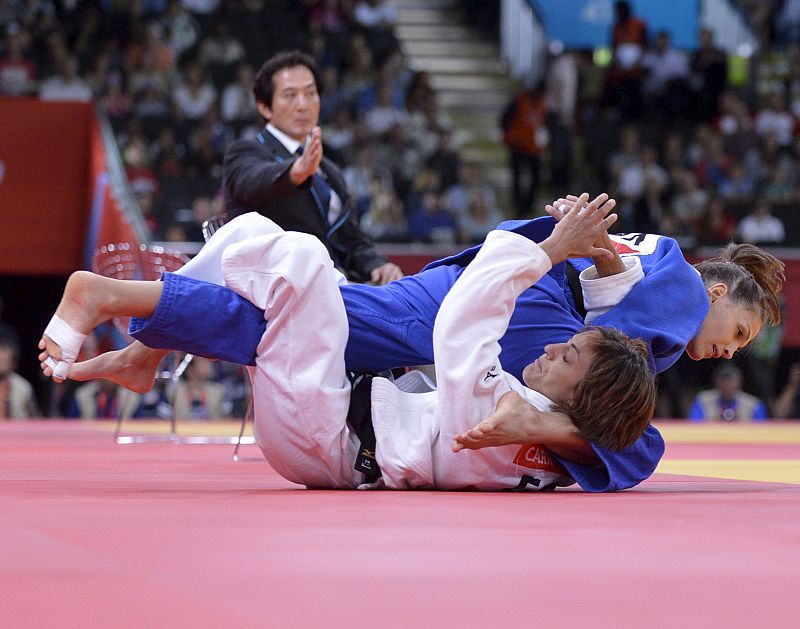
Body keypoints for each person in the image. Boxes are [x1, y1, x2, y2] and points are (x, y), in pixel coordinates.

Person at [56, 193, 784, 492]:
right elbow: (631, 432)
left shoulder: (660, 255)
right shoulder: (689, 293)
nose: (727, 350)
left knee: (304, 310)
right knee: (319, 318)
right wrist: (549, 420)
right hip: (531, 304)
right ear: (720, 294)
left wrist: (592, 256)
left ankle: (152, 340)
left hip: (512, 283)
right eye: (739, 333)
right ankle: (141, 327)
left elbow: (611, 274)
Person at [223, 49, 402, 285]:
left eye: (310, 93)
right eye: (290, 95)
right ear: (265, 107)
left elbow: (350, 240)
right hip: (276, 291)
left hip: (338, 287)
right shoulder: (246, 152)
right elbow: (255, 180)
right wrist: (294, 172)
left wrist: (378, 265)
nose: (303, 105)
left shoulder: (329, 169)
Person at [687, 364, 768, 422]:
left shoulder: (753, 404)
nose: (727, 386)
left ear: (739, 383)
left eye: (731, 382)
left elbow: (762, 430)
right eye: (724, 382)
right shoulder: (702, 401)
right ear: (717, 383)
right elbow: (694, 425)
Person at [0, 337, 37, 419]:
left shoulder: (23, 387)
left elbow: (33, 417)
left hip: (16, 429)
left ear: (12, 363)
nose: (1, 364)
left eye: (4, 360)